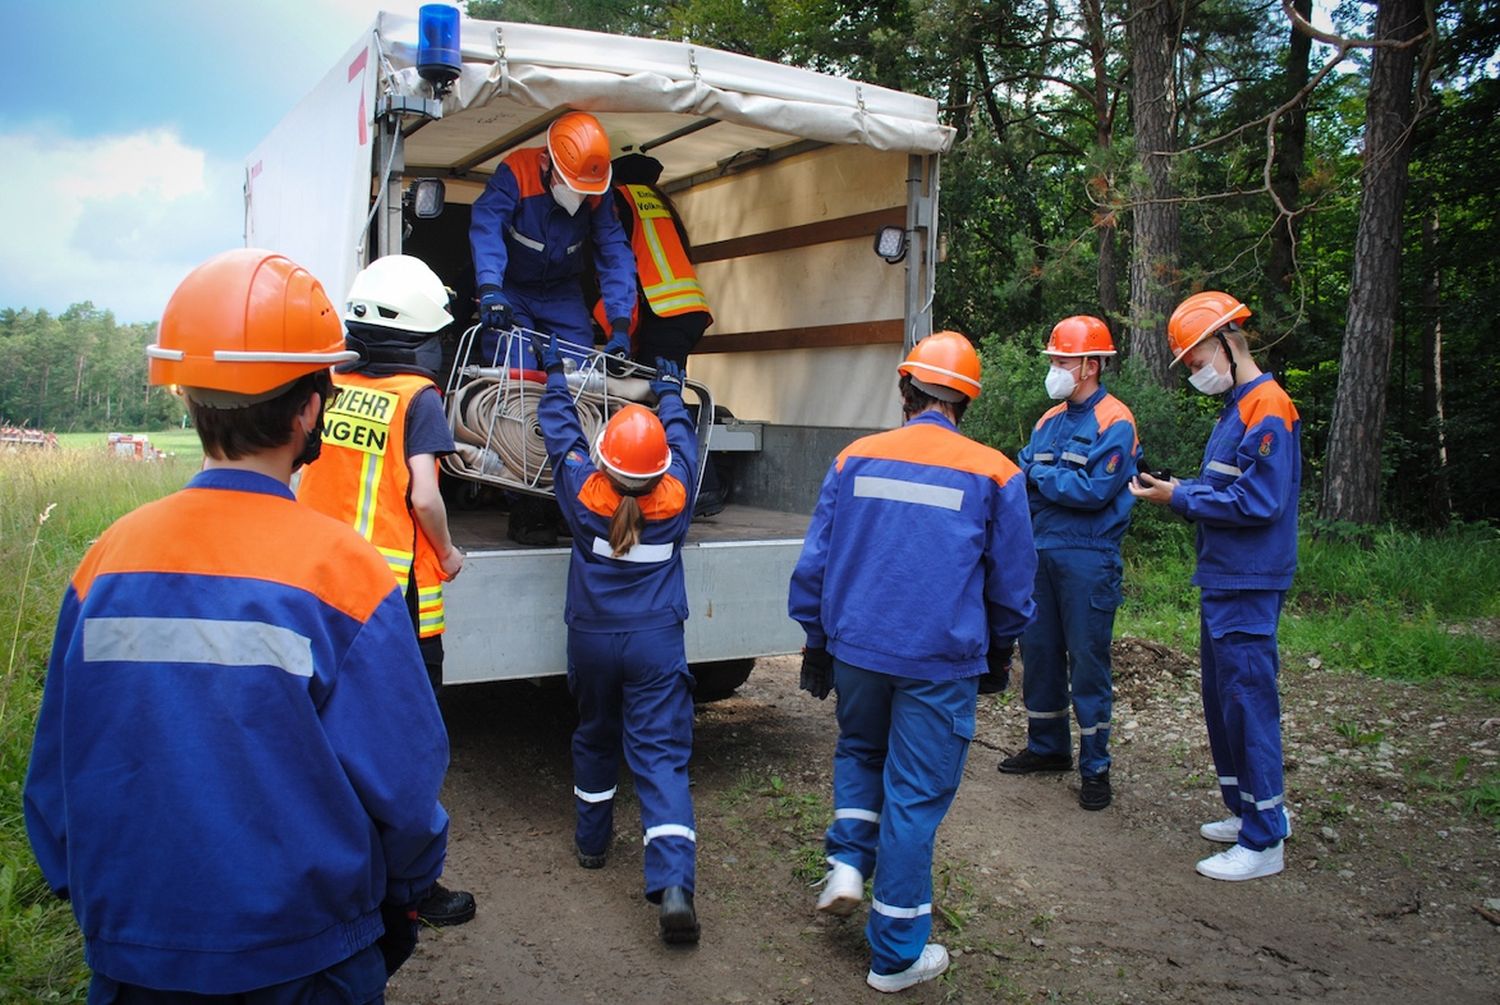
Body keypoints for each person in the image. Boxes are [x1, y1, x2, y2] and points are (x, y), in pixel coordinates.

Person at [23, 249, 452, 1000]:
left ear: (189, 398)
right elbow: (406, 791)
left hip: (133, 958)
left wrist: (115, 911)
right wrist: (403, 894)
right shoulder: (346, 574)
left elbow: (56, 781)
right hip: (304, 960)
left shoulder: (105, 562)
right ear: (310, 408)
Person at [788, 331, 1037, 993]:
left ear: (906, 390)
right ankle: (896, 955)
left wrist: (816, 639)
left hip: (858, 650)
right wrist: (1000, 649)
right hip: (939, 660)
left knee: (860, 751)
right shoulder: (996, 472)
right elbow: (1013, 584)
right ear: (965, 402)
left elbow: (815, 562)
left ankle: (847, 863)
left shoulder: (854, 458)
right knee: (914, 797)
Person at [298, 253, 477, 928]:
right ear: (421, 334)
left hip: (320, 587)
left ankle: (335, 872)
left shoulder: (330, 383)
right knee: (406, 742)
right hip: (390, 599)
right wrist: (448, 551)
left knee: (330, 735)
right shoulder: (417, 397)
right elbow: (425, 495)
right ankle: (410, 889)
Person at [531, 331, 702, 945]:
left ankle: (592, 843)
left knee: (596, 733)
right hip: (655, 643)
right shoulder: (677, 496)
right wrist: (670, 393)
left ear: (604, 459)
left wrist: (555, 377)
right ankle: (674, 885)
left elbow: (561, 436)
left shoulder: (583, 492)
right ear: (657, 470)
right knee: (660, 755)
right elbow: (682, 444)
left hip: (593, 639)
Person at [1129, 290, 1300, 881]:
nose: (1193, 370)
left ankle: (1265, 838)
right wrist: (1178, 490)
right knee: (1225, 699)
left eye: (1195, 357)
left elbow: (1259, 500)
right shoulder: (1237, 408)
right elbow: (1226, 488)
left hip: (1248, 578)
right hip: (1226, 575)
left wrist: (1180, 498)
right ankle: (1249, 808)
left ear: (1226, 341)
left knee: (1248, 701)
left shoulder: (1267, 406)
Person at [470, 111, 638, 545]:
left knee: (581, 388)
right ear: (547, 163)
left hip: (561, 294)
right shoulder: (517, 172)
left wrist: (620, 325)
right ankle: (525, 504)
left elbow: (615, 253)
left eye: (587, 190)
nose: (579, 196)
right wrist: (490, 290)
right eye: (573, 186)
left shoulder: (597, 191)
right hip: (513, 291)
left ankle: (570, 494)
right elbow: (486, 227)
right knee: (517, 385)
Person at [999, 316, 1139, 811]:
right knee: (1038, 652)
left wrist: (1042, 478)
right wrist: (1047, 482)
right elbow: (1019, 477)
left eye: (1062, 359)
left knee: (1087, 659)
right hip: (1039, 552)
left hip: (1089, 557)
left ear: (1090, 366)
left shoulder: (1115, 421)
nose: (1054, 368)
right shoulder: (1047, 421)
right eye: (1054, 359)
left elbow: (1095, 492)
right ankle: (1047, 747)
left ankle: (1095, 767)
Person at [593, 147, 714, 368]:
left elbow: (614, 259)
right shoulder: (658, 199)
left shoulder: (620, 199)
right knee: (666, 381)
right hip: (688, 310)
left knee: (651, 385)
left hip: (664, 313)